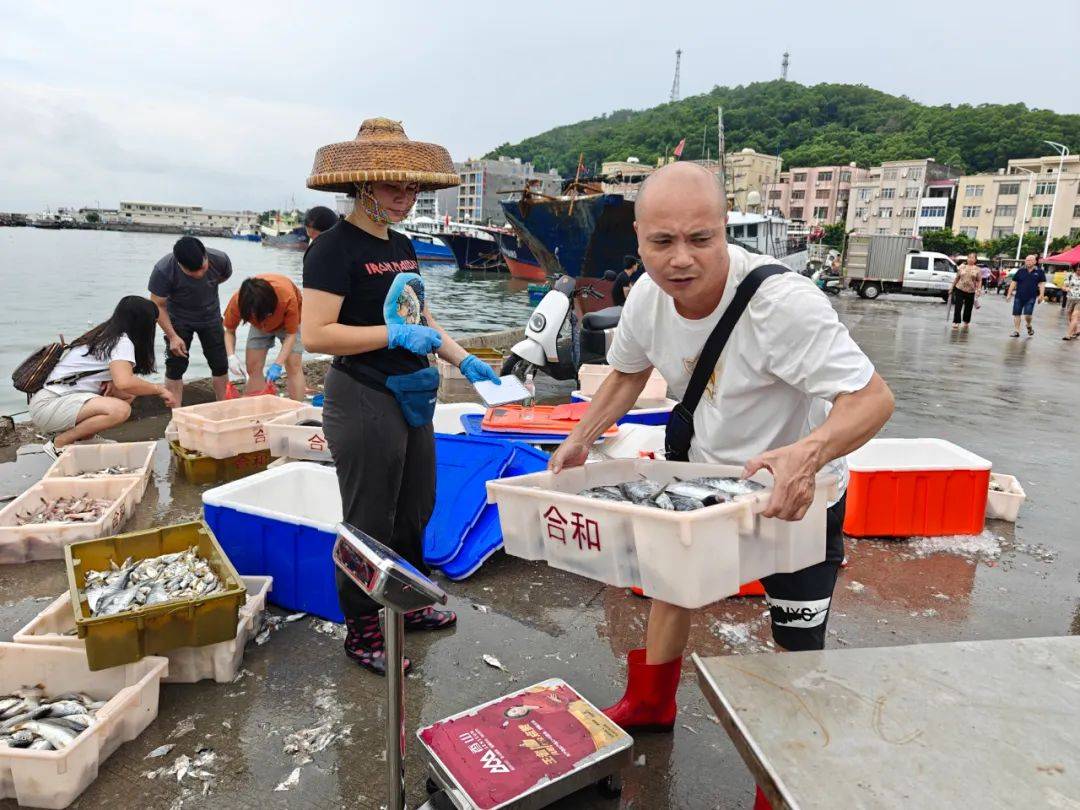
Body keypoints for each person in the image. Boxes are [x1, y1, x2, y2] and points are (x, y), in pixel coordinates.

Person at [548, 164, 894, 774]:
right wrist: (581, 436)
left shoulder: (784, 305)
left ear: (724, 229)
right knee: (670, 587)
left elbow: (872, 399)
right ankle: (650, 701)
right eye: (662, 242)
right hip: (704, 481)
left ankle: (785, 766)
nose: (681, 259)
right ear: (638, 237)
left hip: (794, 493)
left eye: (700, 238)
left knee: (796, 633)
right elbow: (628, 372)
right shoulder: (649, 298)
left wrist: (808, 454)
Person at [302, 118, 501, 676]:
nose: (406, 198)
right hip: (362, 394)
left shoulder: (404, 244)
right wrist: (390, 336)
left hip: (412, 391)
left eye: (412, 188)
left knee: (416, 505)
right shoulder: (333, 249)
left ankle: (406, 604)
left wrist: (460, 357)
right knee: (369, 518)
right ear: (362, 186)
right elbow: (316, 334)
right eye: (396, 188)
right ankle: (362, 628)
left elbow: (420, 314)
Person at [29, 296, 178, 457]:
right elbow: (125, 382)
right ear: (143, 322)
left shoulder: (105, 334)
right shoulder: (122, 342)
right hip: (49, 405)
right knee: (120, 410)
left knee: (127, 395)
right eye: (153, 322)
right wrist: (160, 390)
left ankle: (85, 439)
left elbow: (122, 384)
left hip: (53, 402)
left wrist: (111, 380)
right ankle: (59, 443)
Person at [148, 237, 233, 404]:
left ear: (205, 256)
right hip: (178, 320)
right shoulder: (163, 270)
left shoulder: (220, 259)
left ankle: (224, 407)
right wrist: (172, 336)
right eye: (193, 272)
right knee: (175, 366)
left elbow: (224, 276)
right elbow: (157, 305)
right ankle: (176, 415)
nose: (200, 274)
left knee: (220, 364)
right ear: (180, 264)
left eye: (202, 268)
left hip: (211, 317)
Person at [223, 274, 305, 400]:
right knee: (253, 366)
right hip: (258, 324)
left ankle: (298, 410)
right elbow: (229, 331)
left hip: (286, 323)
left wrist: (277, 364)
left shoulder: (287, 298)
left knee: (293, 366)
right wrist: (231, 356)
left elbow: (291, 334)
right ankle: (258, 408)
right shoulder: (239, 301)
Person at [1006, 254, 1046, 337]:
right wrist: (1009, 294)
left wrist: (1041, 295)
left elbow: (1042, 284)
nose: (1029, 262)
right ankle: (1017, 331)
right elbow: (1013, 282)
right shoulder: (1020, 271)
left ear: (1035, 262)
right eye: (1027, 260)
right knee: (1017, 314)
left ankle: (1028, 325)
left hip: (1031, 297)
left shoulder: (1039, 271)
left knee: (1027, 315)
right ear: (1025, 261)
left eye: (1031, 260)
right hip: (1019, 296)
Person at [950, 252, 982, 329]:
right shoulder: (962, 267)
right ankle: (956, 322)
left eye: (972, 258)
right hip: (960, 288)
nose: (970, 259)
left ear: (975, 260)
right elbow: (957, 278)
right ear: (967, 258)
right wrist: (951, 288)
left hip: (971, 291)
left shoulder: (977, 269)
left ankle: (966, 321)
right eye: (969, 257)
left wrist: (979, 289)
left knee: (968, 307)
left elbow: (979, 280)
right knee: (958, 306)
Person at [1063, 266, 1080, 340]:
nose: (1079, 271)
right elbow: (1063, 286)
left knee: (1074, 316)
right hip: (1070, 299)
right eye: (1078, 270)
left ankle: (1068, 334)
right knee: (1070, 317)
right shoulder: (1070, 276)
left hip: (1079, 300)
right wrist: (1066, 289)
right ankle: (1077, 330)